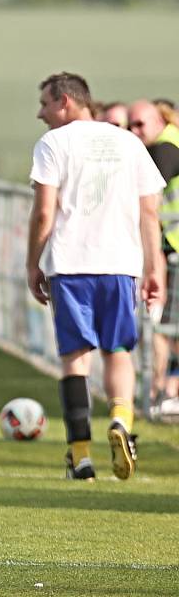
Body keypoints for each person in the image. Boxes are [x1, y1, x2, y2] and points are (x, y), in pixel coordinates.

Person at [27, 73, 165, 482]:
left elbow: (44, 212)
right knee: (118, 351)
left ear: (65, 101)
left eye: (45, 104)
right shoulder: (129, 142)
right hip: (122, 264)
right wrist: (154, 267)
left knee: (75, 358)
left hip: (71, 263)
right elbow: (150, 213)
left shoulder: (54, 143)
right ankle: (121, 420)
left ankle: (81, 456)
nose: (40, 113)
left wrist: (33, 262)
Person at [128, 99, 179, 416]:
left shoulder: (163, 149)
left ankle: (162, 392)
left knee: (166, 326)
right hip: (171, 247)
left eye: (139, 125)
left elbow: (148, 199)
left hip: (174, 247)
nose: (134, 132)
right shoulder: (171, 141)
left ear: (159, 122)